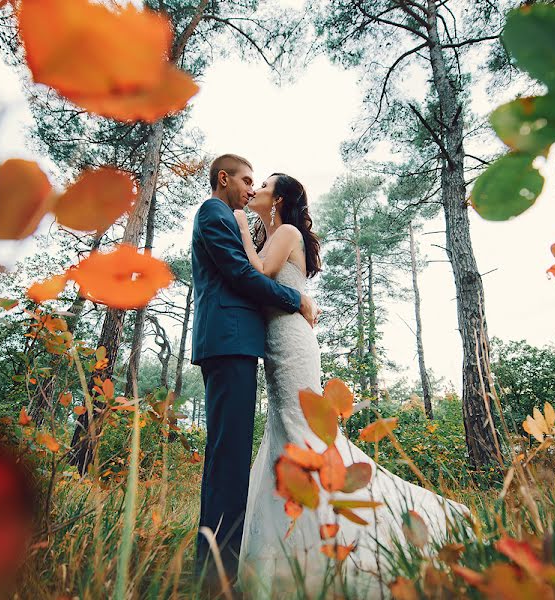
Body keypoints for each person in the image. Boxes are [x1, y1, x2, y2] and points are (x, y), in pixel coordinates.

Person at [233, 173, 470, 598]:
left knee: (302, 433)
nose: (256, 189)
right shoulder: (276, 233)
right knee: (283, 434)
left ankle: (332, 541)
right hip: (278, 341)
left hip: (291, 340)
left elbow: (262, 270)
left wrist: (237, 225)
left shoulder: (286, 232)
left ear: (280, 197)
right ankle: (288, 551)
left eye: (264, 183)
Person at [190, 155, 319, 588]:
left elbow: (251, 269)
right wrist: (293, 299)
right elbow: (242, 274)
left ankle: (221, 566)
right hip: (228, 343)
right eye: (246, 179)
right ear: (222, 179)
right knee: (228, 460)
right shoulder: (214, 212)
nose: (250, 187)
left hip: (241, 344)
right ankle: (215, 575)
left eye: (257, 182)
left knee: (232, 455)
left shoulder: (253, 224)